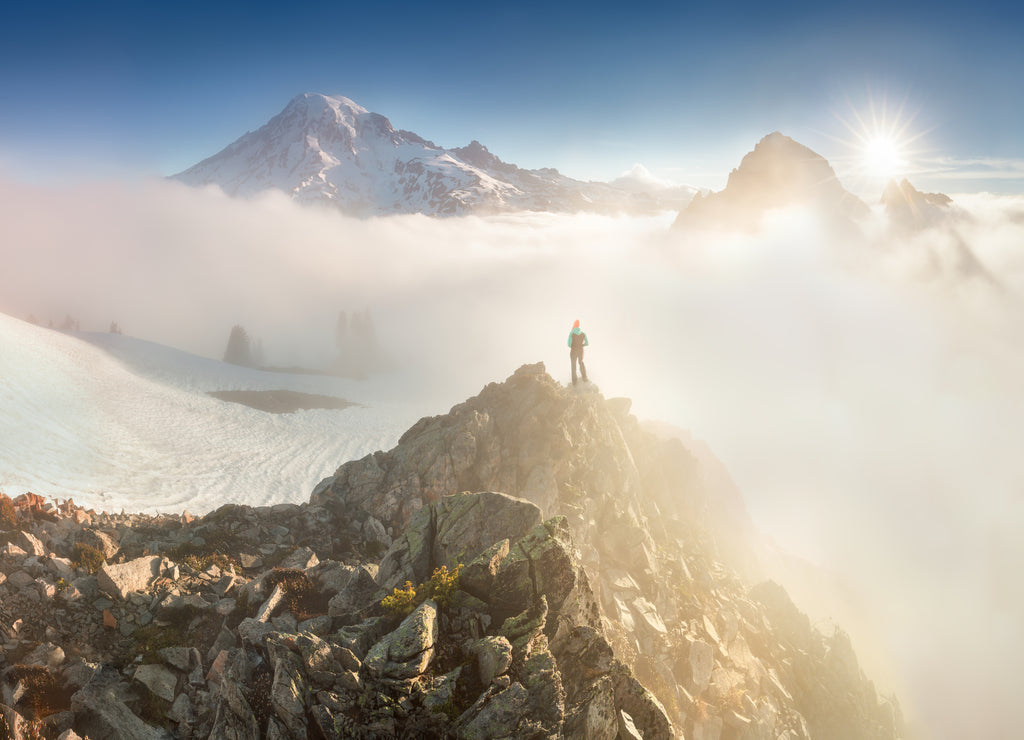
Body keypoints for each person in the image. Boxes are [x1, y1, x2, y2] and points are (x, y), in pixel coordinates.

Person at [567, 319, 589, 384]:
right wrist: (582, 345)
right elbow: (587, 343)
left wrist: (574, 346)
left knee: (573, 365)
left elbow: (569, 344)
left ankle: (574, 381)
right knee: (581, 362)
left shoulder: (571, 333)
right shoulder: (583, 333)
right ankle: (584, 378)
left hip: (573, 350)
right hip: (580, 350)